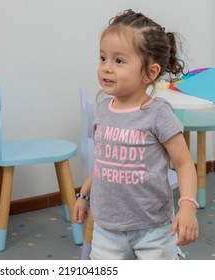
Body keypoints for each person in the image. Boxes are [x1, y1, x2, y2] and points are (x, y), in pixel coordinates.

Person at [73, 9, 199, 260]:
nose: (106, 68)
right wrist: (84, 194)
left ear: (150, 73)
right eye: (103, 58)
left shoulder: (158, 114)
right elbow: (105, 162)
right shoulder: (102, 110)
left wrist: (187, 206)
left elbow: (184, 164)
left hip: (153, 230)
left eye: (118, 61)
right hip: (107, 229)